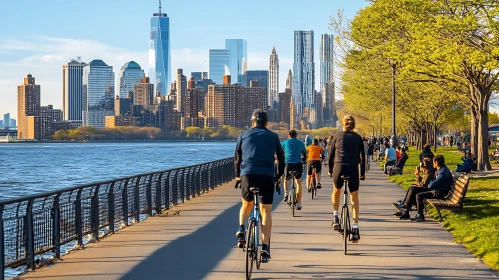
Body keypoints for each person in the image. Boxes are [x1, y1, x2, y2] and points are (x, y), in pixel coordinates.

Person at [234, 109, 284, 259]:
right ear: (266, 123)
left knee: (246, 204)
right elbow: (281, 159)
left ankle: (241, 228)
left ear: (253, 122)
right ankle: (266, 247)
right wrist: (279, 176)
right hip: (266, 176)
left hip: (247, 175)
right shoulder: (273, 136)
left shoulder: (243, 135)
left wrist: (238, 176)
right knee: (266, 211)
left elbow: (237, 157)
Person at [328, 115, 366, 242]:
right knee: (354, 196)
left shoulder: (337, 136)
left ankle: (335, 217)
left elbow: (331, 154)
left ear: (342, 124)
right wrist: (362, 173)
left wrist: (330, 170)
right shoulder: (358, 137)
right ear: (354, 125)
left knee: (336, 190)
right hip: (353, 168)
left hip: (339, 167)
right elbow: (363, 156)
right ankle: (355, 227)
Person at [399, 155, 452, 222]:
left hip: (438, 192)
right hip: (436, 190)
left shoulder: (443, 172)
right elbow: (433, 183)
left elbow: (431, 185)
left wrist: (431, 183)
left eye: (433, 162)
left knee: (419, 195)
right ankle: (406, 211)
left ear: (436, 162)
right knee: (413, 188)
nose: (433, 164)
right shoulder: (441, 169)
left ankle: (420, 215)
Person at [281, 129, 307, 209]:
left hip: (288, 163)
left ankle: (286, 193)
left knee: (286, 179)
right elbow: (304, 153)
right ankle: (299, 203)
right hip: (298, 164)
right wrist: (304, 159)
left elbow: (280, 151)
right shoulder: (300, 143)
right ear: (296, 136)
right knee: (298, 182)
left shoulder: (284, 142)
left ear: (289, 135)